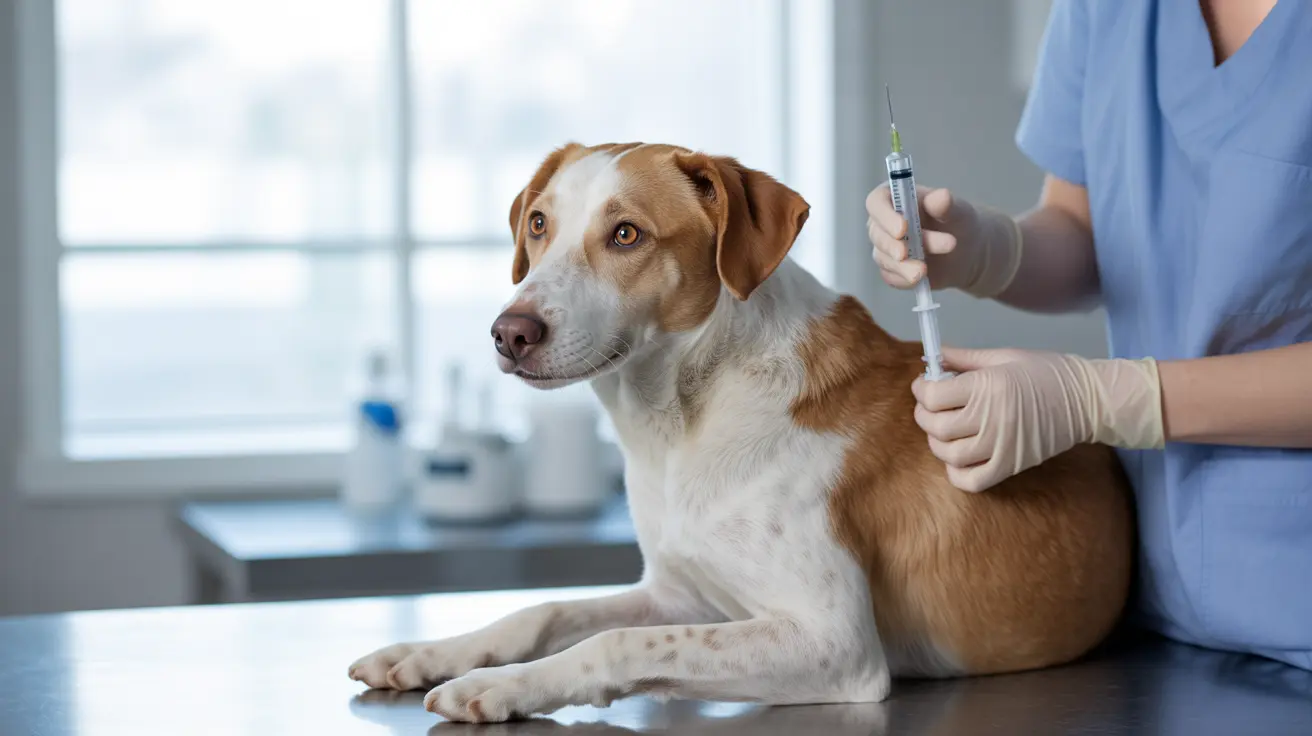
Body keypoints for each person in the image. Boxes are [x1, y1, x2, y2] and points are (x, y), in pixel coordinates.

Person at [866, 0, 1311, 670]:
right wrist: (987, 249)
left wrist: (1101, 399)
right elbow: (1091, 230)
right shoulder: (1109, 11)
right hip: (1148, 604)